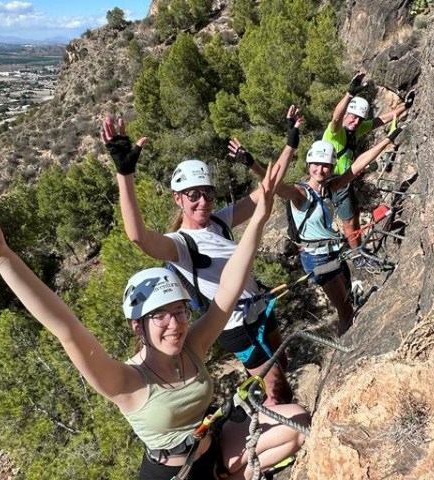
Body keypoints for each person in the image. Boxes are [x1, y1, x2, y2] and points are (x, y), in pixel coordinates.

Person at [0, 162, 309, 480]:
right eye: (158, 316)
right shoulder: (126, 381)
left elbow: (229, 284)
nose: (173, 323)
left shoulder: (195, 345)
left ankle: (231, 472)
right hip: (174, 473)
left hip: (210, 449)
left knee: (295, 421)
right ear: (137, 326)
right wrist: (3, 260)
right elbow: (66, 328)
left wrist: (259, 217)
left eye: (178, 311)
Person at [103, 107, 302, 406]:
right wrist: (125, 174)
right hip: (234, 325)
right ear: (177, 198)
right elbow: (138, 237)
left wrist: (290, 144)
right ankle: (272, 434)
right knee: (278, 391)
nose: (202, 202)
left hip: (259, 305)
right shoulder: (181, 245)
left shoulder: (220, 221)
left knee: (282, 362)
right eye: (193, 195)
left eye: (207, 193)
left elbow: (267, 189)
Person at [274, 125, 402, 336]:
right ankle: (347, 347)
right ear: (308, 164)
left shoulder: (330, 187)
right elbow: (276, 187)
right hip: (317, 259)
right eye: (316, 164)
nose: (320, 170)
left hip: (332, 251)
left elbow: (357, 166)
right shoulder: (300, 194)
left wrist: (386, 141)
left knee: (347, 299)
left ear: (332, 167)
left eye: (325, 165)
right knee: (345, 310)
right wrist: (254, 164)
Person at [324, 71, 415, 258]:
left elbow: (381, 120)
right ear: (346, 114)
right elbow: (335, 118)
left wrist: (404, 107)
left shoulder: (355, 129)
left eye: (358, 118)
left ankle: (358, 250)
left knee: (354, 215)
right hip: (334, 184)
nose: (355, 121)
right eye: (352, 116)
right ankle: (358, 256)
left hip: (346, 180)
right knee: (349, 221)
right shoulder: (336, 131)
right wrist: (349, 94)